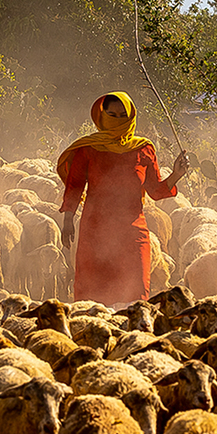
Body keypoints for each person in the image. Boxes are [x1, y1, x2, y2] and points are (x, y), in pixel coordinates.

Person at [57, 91, 190, 306]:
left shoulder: (143, 149)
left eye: (122, 116)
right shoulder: (88, 149)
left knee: (136, 297)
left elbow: (155, 191)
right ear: (101, 116)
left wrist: (176, 174)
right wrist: (67, 219)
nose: (117, 120)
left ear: (131, 117)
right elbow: (75, 186)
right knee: (92, 299)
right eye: (112, 115)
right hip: (95, 232)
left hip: (132, 232)